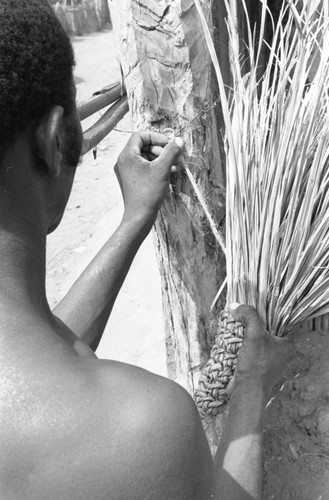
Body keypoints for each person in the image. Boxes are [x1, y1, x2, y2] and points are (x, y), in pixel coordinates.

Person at [0, 1, 294, 499]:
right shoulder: (142, 432)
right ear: (53, 142)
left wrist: (134, 219)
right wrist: (249, 391)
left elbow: (40, 353)